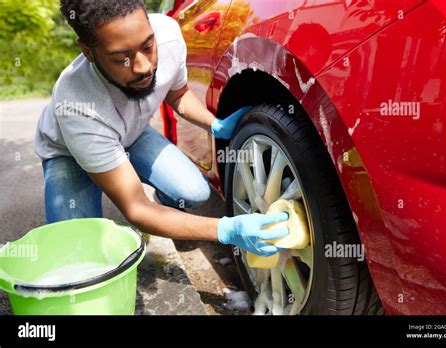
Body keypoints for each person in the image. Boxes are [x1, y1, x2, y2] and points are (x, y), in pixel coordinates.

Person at [34, 0, 288, 257]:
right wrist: (224, 229)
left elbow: (177, 95)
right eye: (122, 58)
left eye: (147, 46)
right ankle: (108, 182)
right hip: (67, 154)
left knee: (196, 193)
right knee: (77, 252)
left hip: (132, 135)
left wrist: (214, 124)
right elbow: (137, 209)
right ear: (88, 53)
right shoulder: (77, 103)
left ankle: (161, 206)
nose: (144, 66)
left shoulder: (167, 34)